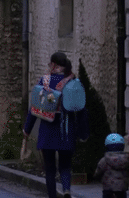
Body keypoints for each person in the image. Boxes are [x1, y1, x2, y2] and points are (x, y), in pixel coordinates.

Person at [22, 52, 89, 198]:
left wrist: (27, 130)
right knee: (65, 166)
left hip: (47, 132)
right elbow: (82, 110)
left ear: (54, 65)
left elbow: (34, 107)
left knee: (50, 169)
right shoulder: (73, 82)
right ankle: (66, 190)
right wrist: (84, 134)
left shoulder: (44, 81)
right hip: (66, 131)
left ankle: (52, 195)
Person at [94, 133, 129, 198]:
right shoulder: (126, 160)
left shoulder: (104, 160)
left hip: (108, 188)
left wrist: (97, 178)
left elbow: (99, 171)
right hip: (121, 188)